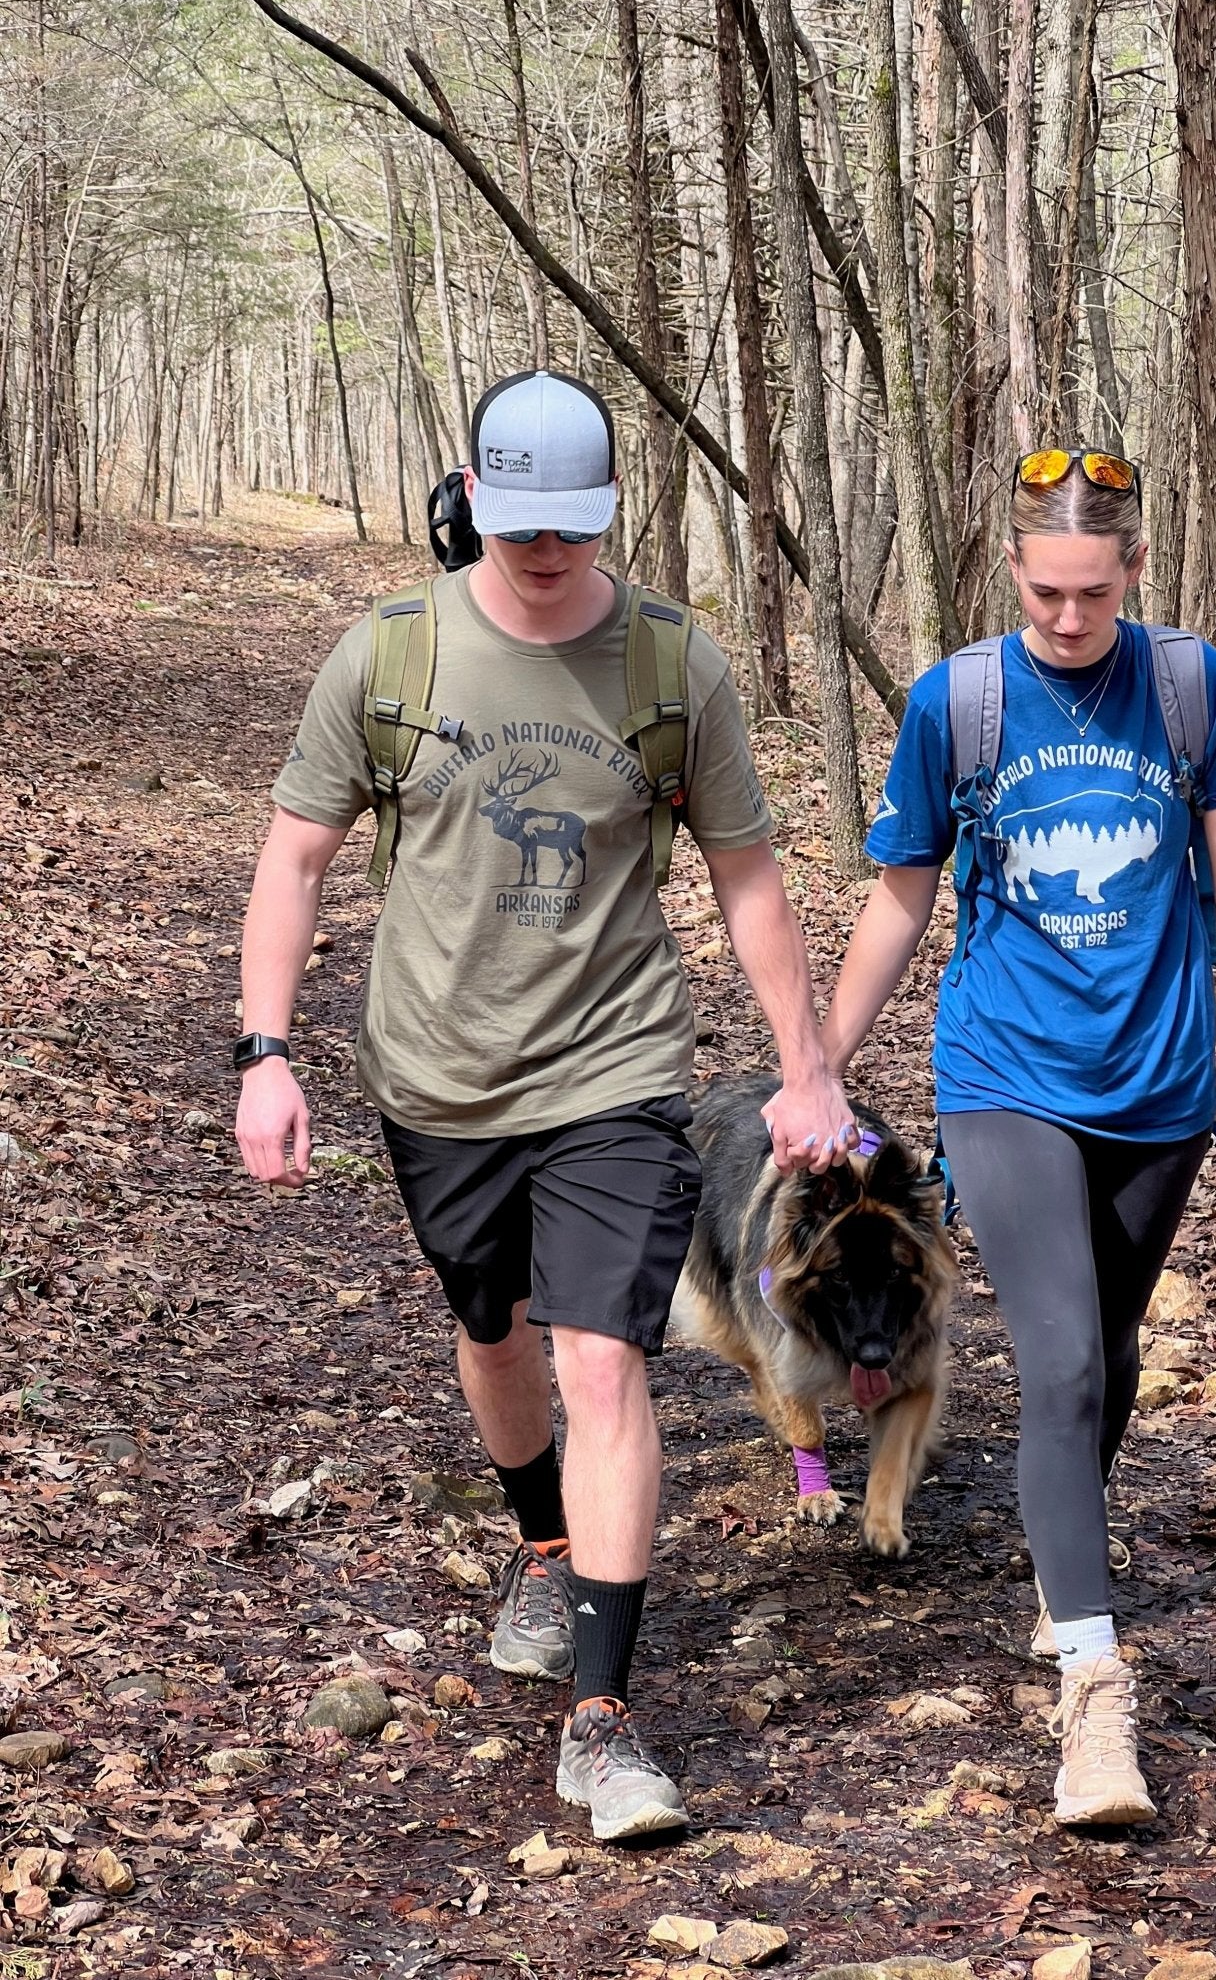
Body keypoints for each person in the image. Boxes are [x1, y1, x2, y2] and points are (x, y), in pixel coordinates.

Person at [233, 368, 854, 1842]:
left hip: (616, 1067)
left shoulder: (668, 665)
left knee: (602, 1363)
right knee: (493, 1330)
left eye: (568, 529)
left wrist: (808, 1064)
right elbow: (297, 857)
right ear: (477, 507)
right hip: (437, 1073)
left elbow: (747, 871)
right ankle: (543, 1543)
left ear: (607, 514)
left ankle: (606, 1713)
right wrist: (265, 1050)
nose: (543, 554)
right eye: (518, 528)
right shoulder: (388, 658)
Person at [812, 446, 1216, 1827]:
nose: (1070, 620)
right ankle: (1096, 1701)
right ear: (1013, 574)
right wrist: (817, 1065)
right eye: (1045, 595)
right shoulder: (959, 704)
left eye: (1093, 594)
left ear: (1134, 571)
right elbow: (902, 900)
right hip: (1005, 1073)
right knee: (1065, 1355)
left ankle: (1061, 1562)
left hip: (1157, 1087)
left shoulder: (1188, 688)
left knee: (1115, 1356)